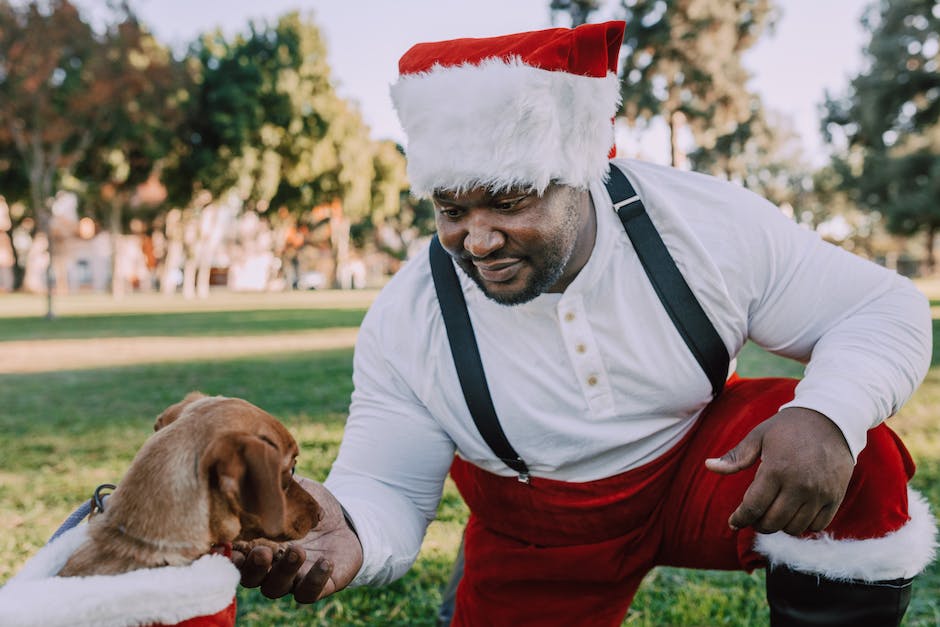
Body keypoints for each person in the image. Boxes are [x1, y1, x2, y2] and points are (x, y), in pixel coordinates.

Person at [234, 21, 937, 626]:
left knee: (859, 453)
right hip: (541, 537)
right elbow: (388, 486)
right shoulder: (408, 318)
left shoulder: (700, 222)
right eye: (452, 210)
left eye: (508, 201)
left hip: (704, 472)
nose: (478, 240)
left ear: (579, 172)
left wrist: (828, 411)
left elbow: (881, 304)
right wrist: (351, 528)